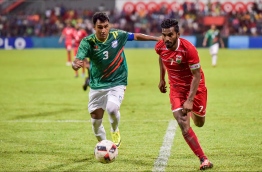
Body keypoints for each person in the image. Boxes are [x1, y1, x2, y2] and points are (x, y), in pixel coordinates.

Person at [71, 12, 160, 148]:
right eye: (100, 27)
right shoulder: (88, 42)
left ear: (109, 25)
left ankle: (114, 130)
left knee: (112, 109)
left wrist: (157, 39)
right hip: (97, 85)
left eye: (106, 26)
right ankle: (105, 147)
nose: (103, 30)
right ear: (94, 27)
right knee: (95, 122)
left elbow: (135, 36)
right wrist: (75, 64)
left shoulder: (117, 35)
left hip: (117, 81)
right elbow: (78, 58)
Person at [155, 19, 213, 170]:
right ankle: (203, 159)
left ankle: (194, 111)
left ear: (178, 34)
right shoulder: (161, 45)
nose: (166, 39)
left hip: (195, 86)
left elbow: (196, 75)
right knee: (182, 122)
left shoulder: (189, 49)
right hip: (176, 88)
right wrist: (161, 78)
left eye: (170, 35)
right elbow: (161, 58)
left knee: (200, 123)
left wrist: (190, 100)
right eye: (163, 35)